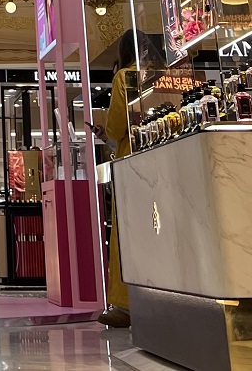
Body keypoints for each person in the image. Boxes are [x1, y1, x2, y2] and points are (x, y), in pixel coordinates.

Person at [99, 30, 139, 329]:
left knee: (125, 232)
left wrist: (106, 134)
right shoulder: (166, 75)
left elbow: (114, 127)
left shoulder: (124, 76)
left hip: (132, 160)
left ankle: (125, 304)